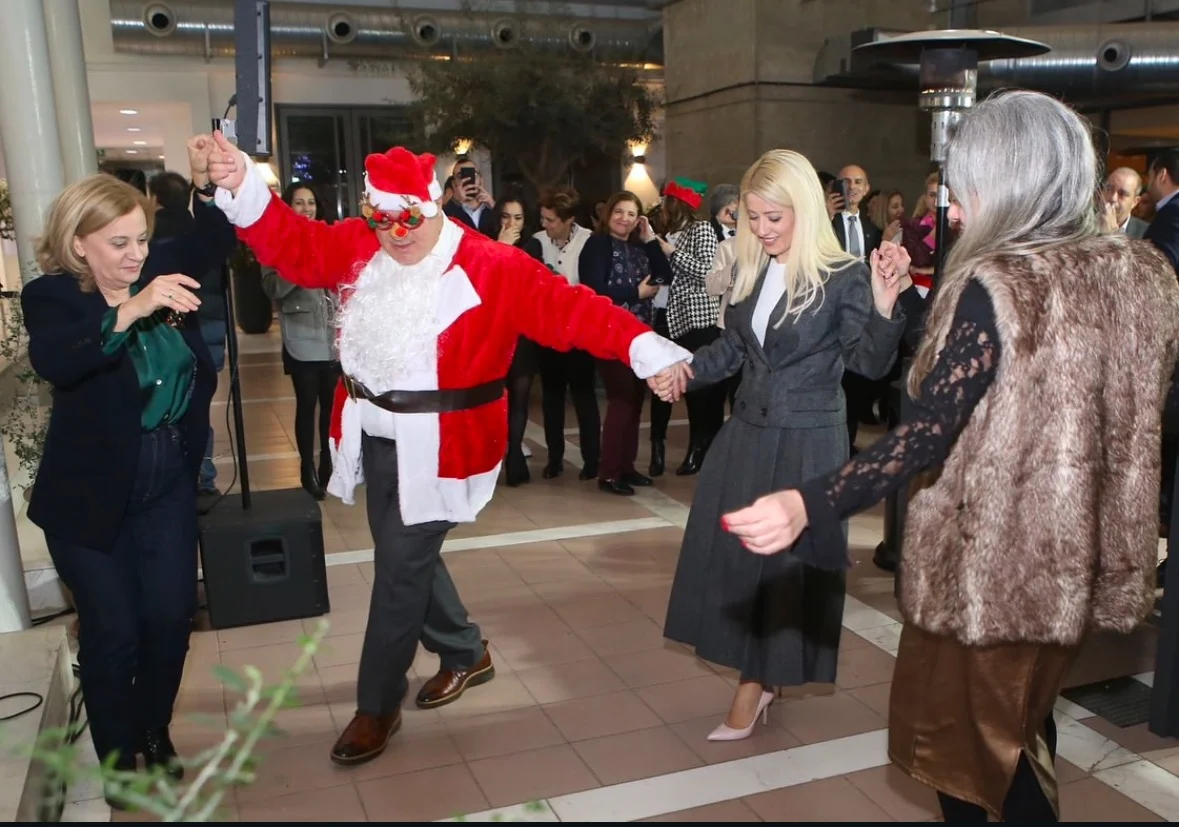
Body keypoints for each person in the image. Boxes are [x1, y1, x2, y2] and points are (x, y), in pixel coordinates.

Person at [721, 90, 1179, 822]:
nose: (955, 209)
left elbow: (931, 427)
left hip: (992, 566)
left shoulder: (997, 282)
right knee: (1025, 727)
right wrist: (898, 302)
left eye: (966, 186)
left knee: (964, 762)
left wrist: (809, 500)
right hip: (1075, 554)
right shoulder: (1139, 275)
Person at [204, 132, 692, 767]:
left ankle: (376, 706)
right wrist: (241, 181)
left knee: (398, 574)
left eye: (410, 218)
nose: (396, 234)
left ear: (433, 206)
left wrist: (646, 349)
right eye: (383, 219)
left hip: (444, 445)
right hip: (373, 435)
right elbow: (295, 247)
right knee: (407, 557)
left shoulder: (491, 264)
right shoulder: (358, 243)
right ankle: (465, 650)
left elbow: (570, 309)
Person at [655, 149, 907, 742]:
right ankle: (759, 675)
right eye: (754, 217)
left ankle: (756, 682)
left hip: (808, 444)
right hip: (747, 433)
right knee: (737, 561)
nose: (763, 230)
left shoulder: (843, 275)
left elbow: (870, 362)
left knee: (786, 570)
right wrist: (683, 369)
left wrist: (885, 300)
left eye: (775, 218)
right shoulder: (753, 269)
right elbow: (736, 350)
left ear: (806, 211)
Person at [22, 171, 215, 806]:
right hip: (89, 497)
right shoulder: (52, 297)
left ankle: (151, 731)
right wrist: (130, 306)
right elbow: (60, 358)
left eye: (141, 240)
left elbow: (215, 240)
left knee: (169, 618)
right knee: (114, 632)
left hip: (166, 484)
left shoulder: (155, 267)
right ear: (79, 244)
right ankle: (116, 759)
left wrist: (213, 186)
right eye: (117, 243)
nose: (135, 255)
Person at [260, 182, 341, 500]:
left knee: (331, 407)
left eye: (311, 202)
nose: (306, 208)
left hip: (330, 334)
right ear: (287, 207)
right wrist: (299, 261)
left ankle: (328, 465)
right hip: (301, 336)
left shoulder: (328, 236)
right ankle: (306, 467)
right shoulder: (275, 242)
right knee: (307, 404)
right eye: (298, 203)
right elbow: (271, 288)